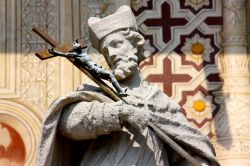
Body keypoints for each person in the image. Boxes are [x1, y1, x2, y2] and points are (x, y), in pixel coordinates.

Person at [37, 5, 220, 166]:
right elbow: (67, 123)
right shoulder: (98, 90)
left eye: (117, 44)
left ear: (135, 45)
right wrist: (118, 113)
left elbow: (184, 152)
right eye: (107, 50)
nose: (112, 53)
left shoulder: (162, 102)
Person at [48, 39, 127, 96]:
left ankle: (120, 91)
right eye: (75, 44)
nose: (76, 44)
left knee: (110, 77)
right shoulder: (76, 54)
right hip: (94, 69)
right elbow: (64, 54)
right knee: (110, 75)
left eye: (76, 43)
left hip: (97, 68)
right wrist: (55, 52)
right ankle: (120, 92)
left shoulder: (83, 53)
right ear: (75, 48)